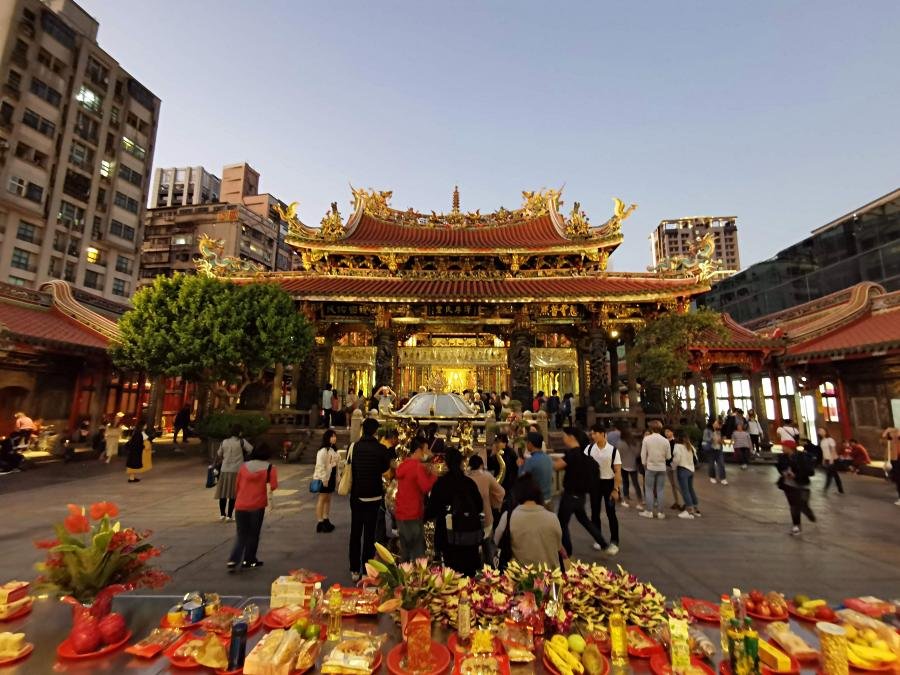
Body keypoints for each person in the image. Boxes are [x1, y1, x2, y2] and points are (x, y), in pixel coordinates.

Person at [426, 447, 484, 576]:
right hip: (469, 537)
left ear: (446, 463)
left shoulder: (440, 484)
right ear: (462, 462)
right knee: (470, 578)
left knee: (451, 577)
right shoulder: (469, 483)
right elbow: (479, 506)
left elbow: (431, 511)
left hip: (448, 538)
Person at [348, 417, 393, 581]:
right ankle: (366, 568)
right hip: (374, 496)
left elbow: (351, 467)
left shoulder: (354, 447)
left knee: (355, 533)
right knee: (370, 535)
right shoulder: (381, 449)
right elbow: (386, 472)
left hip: (357, 496)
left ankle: (354, 569)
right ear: (375, 431)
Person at [555, 426, 609, 557]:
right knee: (584, 520)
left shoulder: (571, 454)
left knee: (562, 524)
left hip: (569, 495)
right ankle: (603, 543)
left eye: (564, 436)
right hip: (581, 495)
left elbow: (556, 466)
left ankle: (567, 551)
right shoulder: (585, 456)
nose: (563, 439)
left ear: (571, 437)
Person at [493, 473, 563, 569]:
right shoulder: (553, 518)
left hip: (520, 578)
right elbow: (558, 546)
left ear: (517, 493)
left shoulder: (508, 517)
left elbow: (496, 541)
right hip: (549, 578)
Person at [227, 443, 277, 570]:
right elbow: (274, 485)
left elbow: (236, 486)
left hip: (241, 504)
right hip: (257, 505)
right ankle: (249, 559)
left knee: (241, 534)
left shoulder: (243, 467)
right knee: (253, 534)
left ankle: (233, 559)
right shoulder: (270, 468)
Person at [395, 436, 437, 561]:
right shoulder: (417, 467)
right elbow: (425, 487)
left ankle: (403, 578)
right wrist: (433, 475)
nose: (428, 452)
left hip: (401, 513)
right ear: (419, 450)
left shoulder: (404, 464)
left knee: (405, 553)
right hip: (413, 514)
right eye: (426, 449)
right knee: (418, 555)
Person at [586, 423, 621, 554]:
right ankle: (598, 539)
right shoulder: (589, 449)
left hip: (609, 483)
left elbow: (617, 471)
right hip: (594, 484)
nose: (593, 436)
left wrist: (616, 489)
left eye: (595, 433)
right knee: (595, 512)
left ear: (603, 434)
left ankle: (615, 541)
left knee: (610, 512)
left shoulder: (613, 450)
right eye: (592, 434)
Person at [466, 455, 505, 563]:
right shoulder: (487, 476)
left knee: (471, 552)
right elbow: (501, 492)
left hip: (469, 520)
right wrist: (492, 501)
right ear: (482, 465)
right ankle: (491, 574)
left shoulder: (465, 477)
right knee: (488, 550)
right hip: (486, 517)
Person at [776, 438, 816, 535]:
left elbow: (810, 472)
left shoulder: (802, 457)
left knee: (801, 505)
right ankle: (796, 525)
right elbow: (779, 467)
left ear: (790, 448)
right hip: (788, 485)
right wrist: (784, 472)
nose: (782, 448)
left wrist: (796, 475)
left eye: (784, 446)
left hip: (801, 484)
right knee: (794, 506)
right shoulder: (782, 457)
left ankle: (807, 512)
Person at [216, 425, 251, 522]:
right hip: (237, 470)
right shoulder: (241, 441)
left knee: (223, 493)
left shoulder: (224, 442)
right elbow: (251, 450)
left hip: (225, 470)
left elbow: (219, 454)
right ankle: (230, 515)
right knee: (233, 494)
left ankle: (222, 514)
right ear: (239, 432)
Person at [640, 421, 671, 519]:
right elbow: (669, 456)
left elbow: (643, 454)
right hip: (662, 467)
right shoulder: (665, 440)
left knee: (649, 489)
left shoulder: (647, 439)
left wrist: (644, 463)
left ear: (651, 428)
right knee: (660, 490)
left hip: (650, 467)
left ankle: (649, 511)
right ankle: (661, 513)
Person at [313, 429, 340, 533]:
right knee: (322, 498)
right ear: (327, 438)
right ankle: (320, 522)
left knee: (328, 499)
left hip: (331, 477)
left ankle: (326, 518)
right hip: (324, 478)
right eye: (332, 436)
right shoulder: (323, 451)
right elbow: (320, 466)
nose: (334, 438)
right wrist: (324, 479)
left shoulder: (333, 449)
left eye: (335, 436)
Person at [518, 431, 552, 506]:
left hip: (538, 501)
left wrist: (520, 465)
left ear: (530, 444)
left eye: (527, 442)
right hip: (548, 499)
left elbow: (522, 479)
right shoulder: (548, 458)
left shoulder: (531, 461)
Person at [672, 431, 700, 519]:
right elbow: (696, 458)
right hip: (691, 470)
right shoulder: (690, 446)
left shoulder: (678, 446)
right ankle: (696, 509)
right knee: (691, 489)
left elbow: (677, 458)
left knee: (685, 490)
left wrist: (673, 466)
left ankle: (689, 510)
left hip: (682, 469)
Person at [618, 428, 643, 509]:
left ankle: (626, 501)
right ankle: (640, 502)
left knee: (625, 483)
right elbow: (637, 454)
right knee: (636, 484)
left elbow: (618, 455)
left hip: (623, 466)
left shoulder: (620, 443)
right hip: (633, 466)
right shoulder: (634, 443)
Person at [663, 428, 684, 510]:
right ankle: (677, 502)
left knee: (677, 484)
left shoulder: (675, 442)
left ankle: (686, 502)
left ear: (672, 432)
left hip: (674, 466)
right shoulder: (664, 442)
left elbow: (676, 455)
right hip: (667, 466)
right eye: (665, 432)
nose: (667, 433)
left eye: (668, 431)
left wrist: (673, 464)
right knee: (672, 485)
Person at [819, 427, 843, 494]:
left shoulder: (830, 440)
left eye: (822, 430)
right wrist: (823, 460)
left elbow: (833, 450)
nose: (820, 432)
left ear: (825, 432)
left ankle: (825, 489)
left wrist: (831, 459)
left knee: (829, 474)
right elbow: (823, 451)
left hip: (833, 459)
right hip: (827, 459)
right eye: (819, 431)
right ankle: (840, 490)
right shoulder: (822, 441)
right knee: (835, 475)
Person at [881, 427, 900, 506]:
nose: (892, 434)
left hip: (897, 461)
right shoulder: (890, 442)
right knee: (898, 480)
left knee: (898, 480)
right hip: (895, 461)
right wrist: (886, 432)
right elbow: (882, 440)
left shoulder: (896, 441)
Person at [708, 420, 727, 485]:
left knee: (721, 463)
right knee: (711, 464)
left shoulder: (721, 431)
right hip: (711, 449)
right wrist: (713, 439)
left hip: (719, 449)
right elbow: (706, 439)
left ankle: (723, 478)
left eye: (718, 424)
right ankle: (712, 477)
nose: (717, 425)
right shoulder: (708, 430)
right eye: (715, 423)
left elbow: (723, 442)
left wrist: (721, 440)